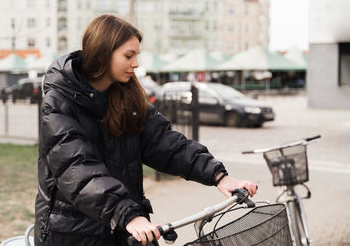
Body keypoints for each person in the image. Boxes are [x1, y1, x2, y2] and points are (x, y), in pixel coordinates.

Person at [34, 14, 257, 246]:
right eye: (128, 55)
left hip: (126, 226)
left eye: (136, 55)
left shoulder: (127, 97)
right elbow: (76, 167)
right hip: (75, 233)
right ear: (102, 54)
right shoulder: (59, 102)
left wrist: (219, 176)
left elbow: (166, 143)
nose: (136, 64)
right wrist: (126, 213)